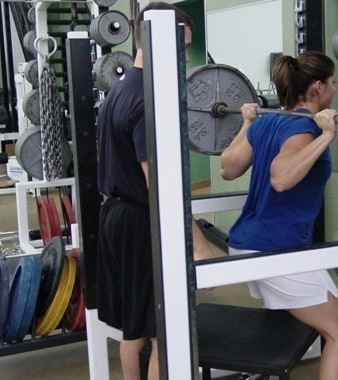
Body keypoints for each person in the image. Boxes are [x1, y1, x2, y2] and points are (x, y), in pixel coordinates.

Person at [96, 3, 215, 379]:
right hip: (139, 222)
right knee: (166, 331)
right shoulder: (148, 99)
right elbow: (159, 187)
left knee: (136, 328)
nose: (184, 57)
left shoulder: (119, 89)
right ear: (155, 39)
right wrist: (197, 243)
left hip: (115, 216)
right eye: (181, 47)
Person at [220, 51, 338, 380]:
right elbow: (281, 178)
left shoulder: (267, 122)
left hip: (246, 240)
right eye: (334, 83)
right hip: (275, 248)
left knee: (281, 327)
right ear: (318, 87)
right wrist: (326, 135)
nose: (336, 91)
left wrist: (248, 124)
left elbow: (228, 167)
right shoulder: (303, 129)